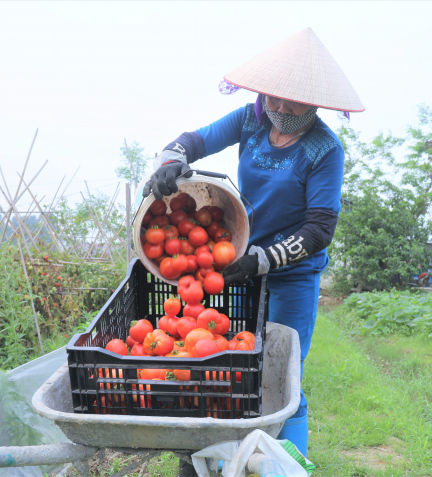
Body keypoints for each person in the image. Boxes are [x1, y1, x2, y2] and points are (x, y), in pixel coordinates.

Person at [141, 27, 364, 457]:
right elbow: (196, 140)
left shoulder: (324, 150)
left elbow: (319, 229)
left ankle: (288, 462)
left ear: (314, 102)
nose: (278, 107)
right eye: (272, 97)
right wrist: (172, 158)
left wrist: (267, 259)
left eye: (291, 101)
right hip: (237, 258)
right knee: (233, 363)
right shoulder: (250, 118)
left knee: (284, 374)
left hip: (292, 274)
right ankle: (226, 454)